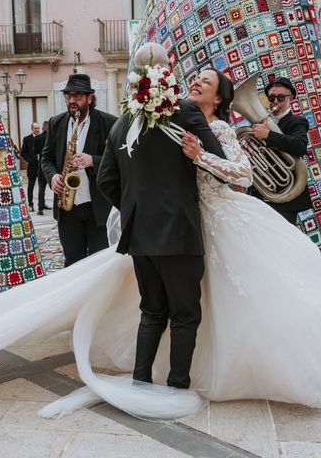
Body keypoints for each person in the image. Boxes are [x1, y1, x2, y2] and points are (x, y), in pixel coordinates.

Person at [0, 68, 321, 420]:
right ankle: (170, 382)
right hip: (172, 232)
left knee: (178, 307)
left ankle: (149, 376)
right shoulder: (161, 121)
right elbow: (127, 177)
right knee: (176, 310)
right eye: (192, 79)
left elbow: (234, 176)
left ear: (220, 97)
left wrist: (146, 204)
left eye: (204, 82)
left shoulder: (152, 122)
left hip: (198, 225)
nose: (194, 84)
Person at [96, 44, 227, 390]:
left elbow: (105, 180)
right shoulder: (185, 111)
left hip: (140, 236)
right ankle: (176, 386)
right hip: (179, 231)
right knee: (185, 315)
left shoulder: (122, 121)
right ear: (166, 71)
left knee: (152, 311)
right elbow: (218, 161)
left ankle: (140, 382)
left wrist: (134, 209)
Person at [41, 74, 117, 266]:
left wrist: (93, 160)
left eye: (77, 96)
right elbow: (46, 158)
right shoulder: (56, 123)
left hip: (97, 208)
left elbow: (118, 160)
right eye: (68, 96)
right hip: (68, 211)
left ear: (89, 98)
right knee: (73, 263)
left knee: (98, 265)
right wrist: (53, 177)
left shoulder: (108, 123)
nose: (72, 101)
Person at [250, 76, 312, 224]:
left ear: (290, 98)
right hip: (261, 191)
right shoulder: (260, 123)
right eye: (271, 98)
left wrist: (268, 135)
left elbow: (300, 146)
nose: (275, 102)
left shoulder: (297, 121)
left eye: (280, 97)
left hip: (286, 195)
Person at [21, 122, 50, 214]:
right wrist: (29, 160)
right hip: (32, 166)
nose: (37, 130)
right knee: (31, 186)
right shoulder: (27, 139)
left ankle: (42, 204)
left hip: (42, 166)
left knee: (42, 186)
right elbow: (23, 152)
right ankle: (30, 205)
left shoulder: (43, 137)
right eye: (35, 128)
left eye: (38, 128)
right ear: (32, 129)